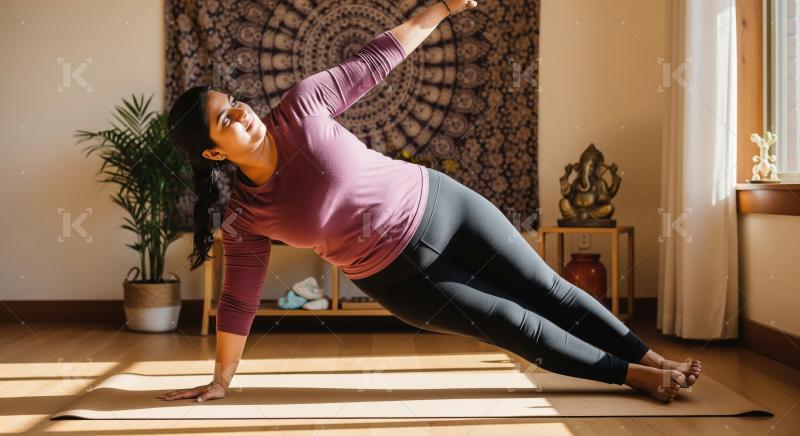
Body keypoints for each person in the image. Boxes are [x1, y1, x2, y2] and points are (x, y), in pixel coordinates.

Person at [162, 0, 701, 405]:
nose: (241, 113)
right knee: (514, 323)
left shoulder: (304, 104)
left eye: (233, 102)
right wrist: (220, 381)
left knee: (547, 287)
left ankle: (654, 356)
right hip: (402, 278)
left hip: (444, 205)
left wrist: (439, 7)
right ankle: (635, 375)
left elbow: (377, 59)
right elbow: (239, 300)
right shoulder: (247, 218)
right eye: (224, 119)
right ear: (213, 151)